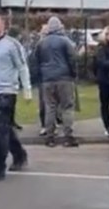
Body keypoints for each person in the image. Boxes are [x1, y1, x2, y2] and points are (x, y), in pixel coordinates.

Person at [0, 15, 32, 177]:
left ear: (3, 26)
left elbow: (22, 67)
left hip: (7, 91)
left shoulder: (12, 45)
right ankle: (19, 154)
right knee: (2, 127)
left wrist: (27, 90)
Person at [32, 16, 78, 147]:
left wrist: (40, 77)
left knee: (50, 107)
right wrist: (73, 74)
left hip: (47, 79)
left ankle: (50, 136)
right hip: (64, 77)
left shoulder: (41, 43)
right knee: (67, 107)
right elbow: (72, 59)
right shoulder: (65, 41)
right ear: (60, 27)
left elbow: (36, 60)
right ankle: (68, 136)